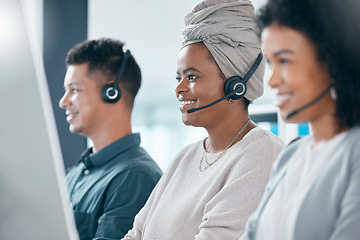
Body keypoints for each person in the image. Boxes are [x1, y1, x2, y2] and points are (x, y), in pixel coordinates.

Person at [123, 1, 285, 239]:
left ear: (235, 85)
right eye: (179, 77)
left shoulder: (261, 153)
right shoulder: (185, 157)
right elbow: (137, 233)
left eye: (192, 76)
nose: (179, 88)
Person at [240, 0, 360, 239]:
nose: (271, 81)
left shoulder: (354, 153)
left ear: (333, 60)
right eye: (270, 63)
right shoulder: (291, 155)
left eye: (284, 61)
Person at [59, 38, 163, 240]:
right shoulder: (76, 172)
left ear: (111, 93)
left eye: (74, 90)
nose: (63, 102)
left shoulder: (136, 177)